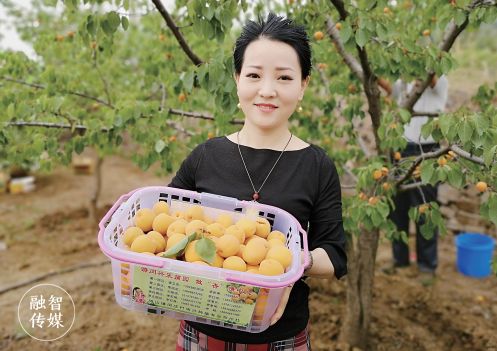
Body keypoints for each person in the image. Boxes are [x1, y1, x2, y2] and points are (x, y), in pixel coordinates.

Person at [168, 12, 347, 351]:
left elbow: (335, 254)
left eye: (283, 77)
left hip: (280, 336)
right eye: (253, 75)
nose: (267, 90)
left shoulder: (317, 166)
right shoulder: (206, 155)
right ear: (237, 79)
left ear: (303, 84)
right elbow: (164, 224)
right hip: (203, 333)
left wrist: (296, 263)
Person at [389, 75, 449, 276]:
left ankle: (427, 266)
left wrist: (418, 65)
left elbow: (430, 79)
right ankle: (400, 261)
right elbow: (393, 91)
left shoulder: (439, 80)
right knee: (397, 208)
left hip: (427, 149)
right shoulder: (402, 80)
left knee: (425, 208)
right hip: (400, 148)